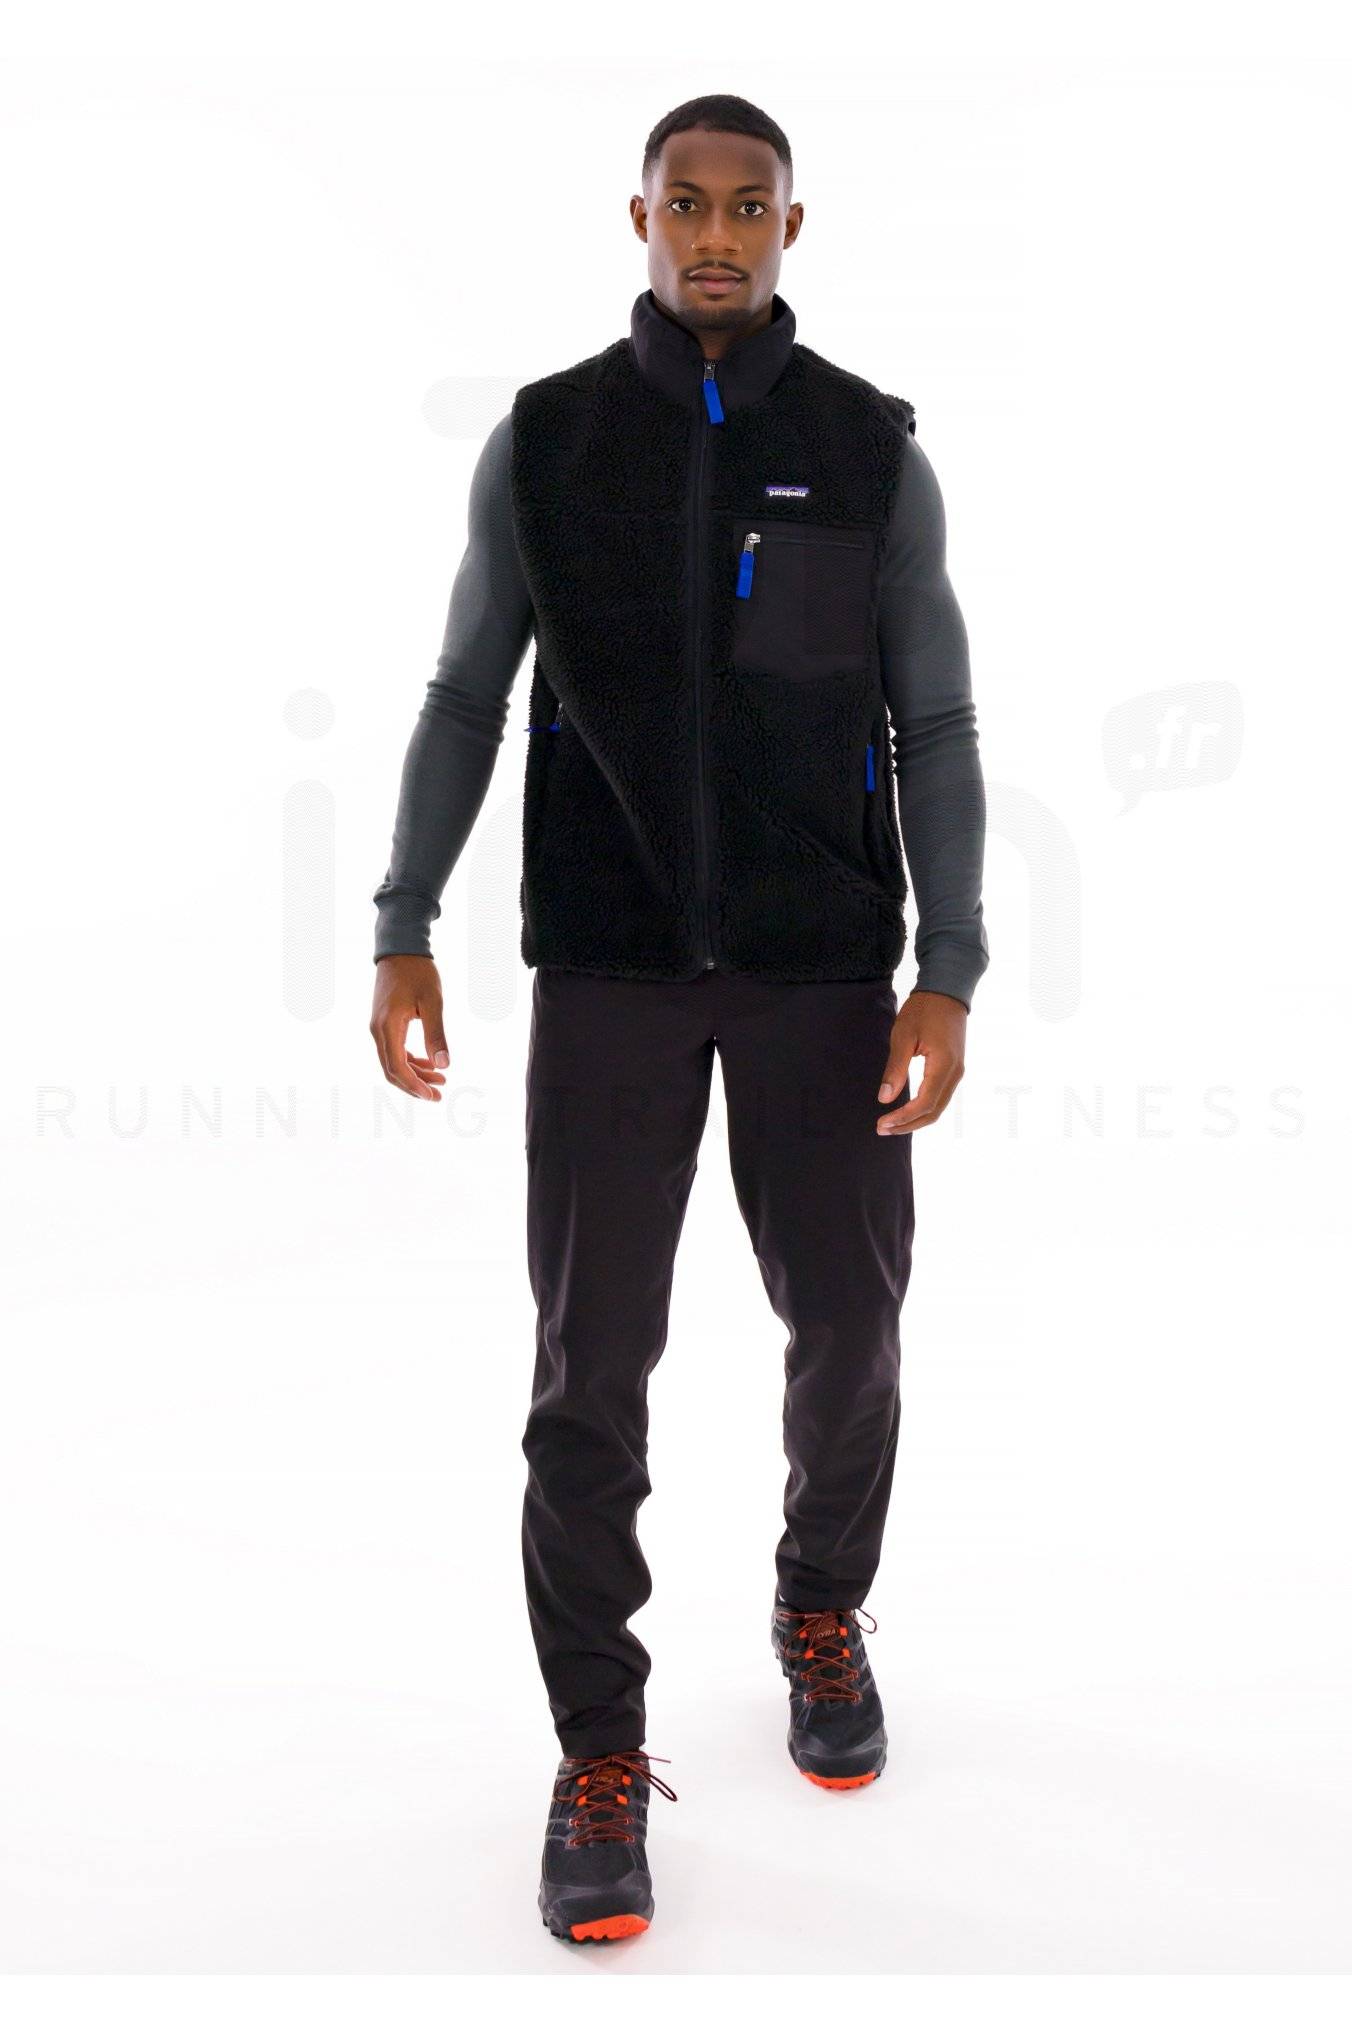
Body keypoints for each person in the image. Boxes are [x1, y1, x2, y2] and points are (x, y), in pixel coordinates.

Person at [370, 92, 988, 1945]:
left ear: (794, 226)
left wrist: (948, 966)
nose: (716, 233)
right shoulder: (550, 442)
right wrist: (403, 920)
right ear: (637, 217)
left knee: (852, 1326)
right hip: (613, 972)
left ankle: (820, 1604)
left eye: (750, 206)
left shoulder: (868, 449)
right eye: (687, 204)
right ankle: (597, 1754)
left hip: (823, 974)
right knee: (590, 1373)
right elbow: (466, 693)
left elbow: (936, 724)